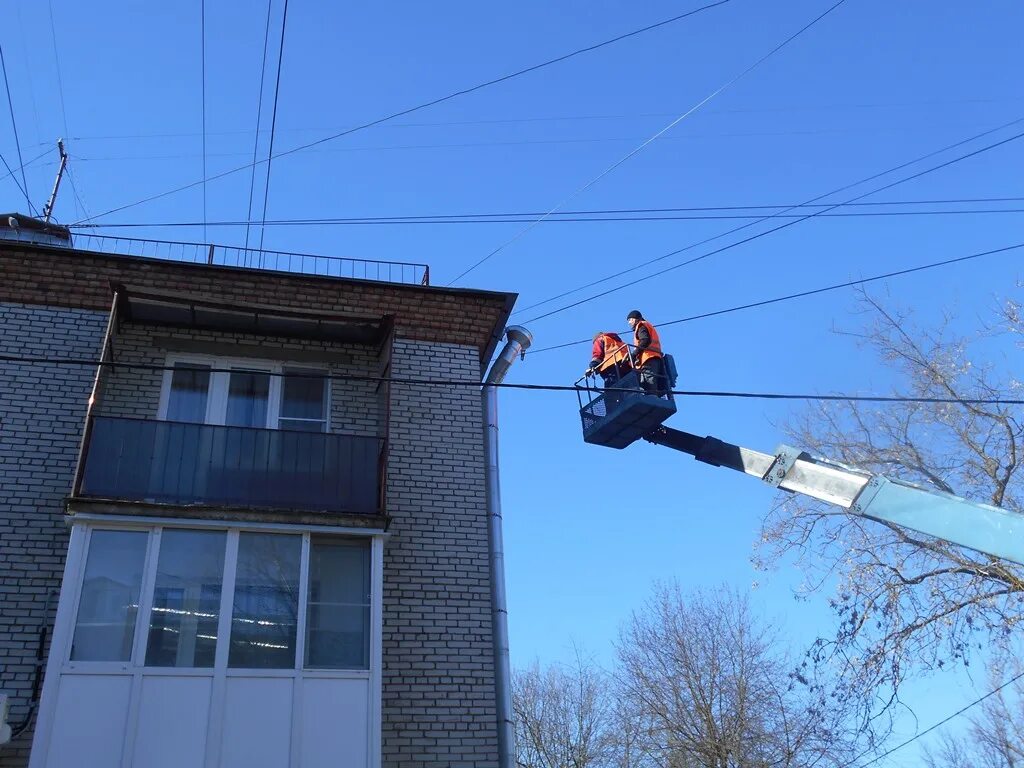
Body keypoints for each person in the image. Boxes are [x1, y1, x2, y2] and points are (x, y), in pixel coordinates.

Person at [626, 310, 664, 394]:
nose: (629, 322)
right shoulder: (646, 325)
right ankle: (652, 395)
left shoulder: (641, 326)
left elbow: (644, 340)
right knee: (646, 380)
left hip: (649, 358)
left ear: (635, 319)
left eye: (630, 320)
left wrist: (634, 353)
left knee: (648, 380)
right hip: (653, 357)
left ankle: (653, 397)